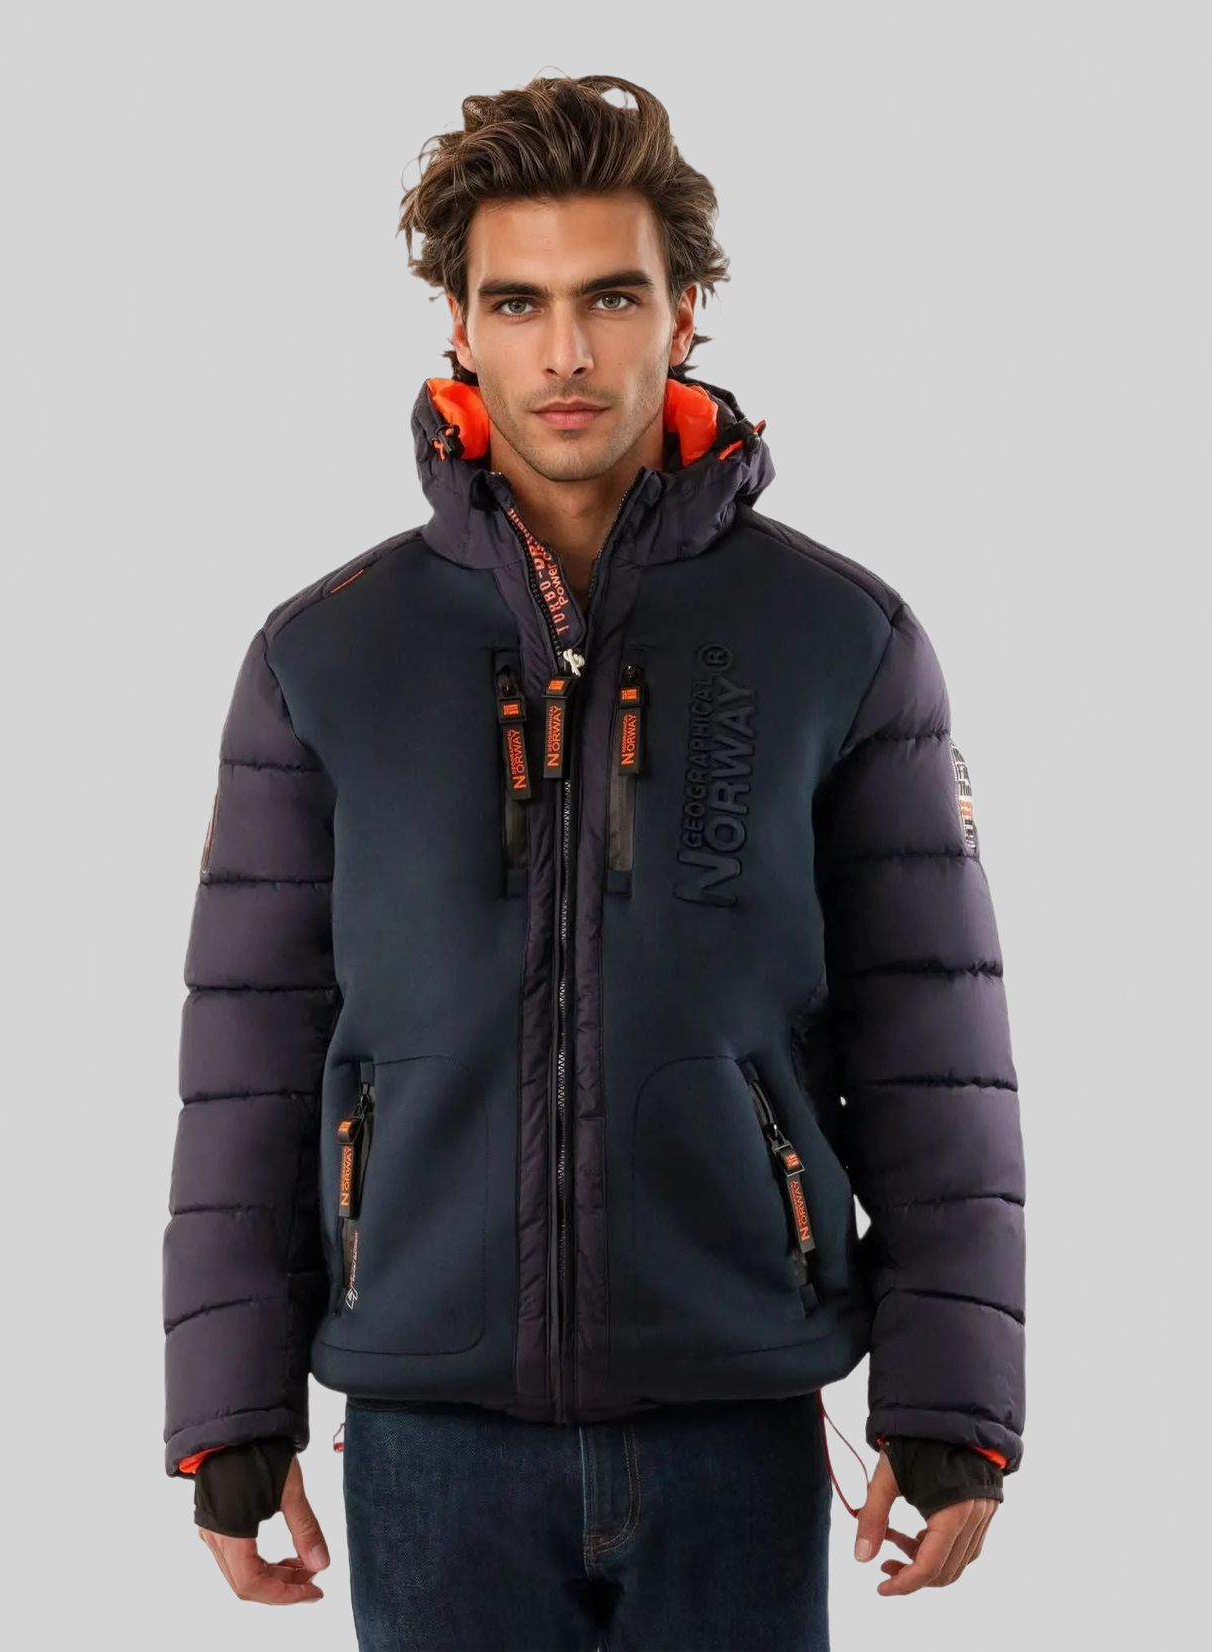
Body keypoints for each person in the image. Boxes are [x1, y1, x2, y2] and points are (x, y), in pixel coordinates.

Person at [162, 73, 1025, 1650]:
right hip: (428, 1437)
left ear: (684, 311)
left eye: (611, 296)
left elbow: (932, 1038)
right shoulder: (322, 659)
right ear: (459, 322)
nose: (566, 351)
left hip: (736, 1416)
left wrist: (953, 1396)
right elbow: (250, 1055)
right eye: (521, 302)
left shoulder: (840, 638)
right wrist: (229, 1411)